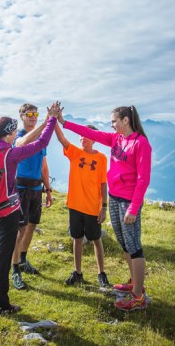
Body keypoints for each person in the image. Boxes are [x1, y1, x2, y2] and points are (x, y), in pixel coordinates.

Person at [0, 102, 61, 316]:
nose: (17, 134)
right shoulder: (11, 154)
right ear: (9, 134)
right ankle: (1, 304)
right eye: (15, 131)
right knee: (2, 255)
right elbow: (43, 140)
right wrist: (51, 118)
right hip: (6, 211)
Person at [58, 105, 152, 311]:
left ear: (126, 120)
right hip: (115, 198)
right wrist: (64, 122)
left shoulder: (140, 143)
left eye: (114, 121)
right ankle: (134, 283)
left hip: (128, 202)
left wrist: (134, 208)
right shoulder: (116, 139)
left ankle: (138, 296)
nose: (111, 125)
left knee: (134, 246)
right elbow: (89, 133)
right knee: (124, 242)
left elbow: (143, 179)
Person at [54, 122, 110, 287]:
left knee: (96, 240)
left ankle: (101, 273)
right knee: (76, 238)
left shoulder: (101, 158)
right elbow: (62, 138)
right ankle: (77, 272)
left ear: (94, 139)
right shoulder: (75, 153)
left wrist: (104, 207)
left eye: (86, 135)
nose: (82, 137)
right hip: (75, 205)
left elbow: (103, 183)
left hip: (93, 206)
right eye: (81, 135)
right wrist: (54, 120)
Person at [11, 103, 54, 290]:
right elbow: (22, 143)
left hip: (36, 188)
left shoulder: (40, 139)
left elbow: (44, 165)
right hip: (20, 187)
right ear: (21, 116)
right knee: (19, 229)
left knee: (31, 226)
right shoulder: (19, 136)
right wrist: (45, 122)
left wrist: (48, 189)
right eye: (29, 114)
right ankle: (15, 270)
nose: (33, 117)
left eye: (35, 114)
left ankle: (23, 260)